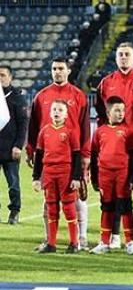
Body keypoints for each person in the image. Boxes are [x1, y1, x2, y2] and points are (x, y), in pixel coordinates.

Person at [95, 42, 133, 251]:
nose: (123, 57)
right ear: (116, 58)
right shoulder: (106, 83)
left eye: (127, 54)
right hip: (115, 147)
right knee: (115, 193)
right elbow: (101, 113)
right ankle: (114, 235)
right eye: (120, 54)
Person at [27, 57, 91, 251]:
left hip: (73, 156)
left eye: (61, 68)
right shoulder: (41, 96)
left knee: (77, 200)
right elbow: (34, 127)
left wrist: (86, 155)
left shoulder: (79, 96)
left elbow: (85, 127)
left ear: (68, 71)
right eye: (54, 68)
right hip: (49, 159)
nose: (57, 72)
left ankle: (81, 238)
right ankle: (50, 240)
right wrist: (31, 151)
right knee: (50, 202)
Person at [89, 96, 133, 255]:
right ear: (108, 111)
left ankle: (130, 243)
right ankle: (104, 242)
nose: (121, 113)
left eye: (123, 110)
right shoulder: (99, 132)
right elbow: (94, 156)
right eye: (117, 110)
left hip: (122, 175)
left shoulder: (129, 132)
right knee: (107, 207)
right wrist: (94, 178)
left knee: (125, 207)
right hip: (105, 175)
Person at [31, 100, 82, 253]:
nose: (56, 112)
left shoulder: (70, 131)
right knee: (51, 208)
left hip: (65, 173)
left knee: (69, 208)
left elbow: (77, 155)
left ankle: (74, 243)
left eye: (60, 110)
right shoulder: (44, 131)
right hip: (49, 173)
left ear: (66, 114)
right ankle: (51, 244)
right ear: (50, 112)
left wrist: (76, 177)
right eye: (54, 109)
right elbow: (39, 155)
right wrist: (36, 177)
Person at [0, 66, 27, 224]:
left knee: (13, 184)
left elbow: (23, 124)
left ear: (10, 78)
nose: (0, 78)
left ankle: (14, 211)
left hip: (10, 148)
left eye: (3, 75)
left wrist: (18, 146)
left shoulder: (17, 97)